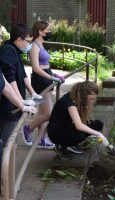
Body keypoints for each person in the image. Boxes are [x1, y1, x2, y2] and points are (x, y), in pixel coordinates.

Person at [22, 21, 64, 149]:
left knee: (42, 112)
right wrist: (51, 77)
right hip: (40, 81)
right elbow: (35, 67)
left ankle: (41, 140)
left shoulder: (41, 44)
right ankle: (28, 128)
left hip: (46, 78)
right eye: (47, 30)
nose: (49, 32)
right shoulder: (34, 45)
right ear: (40, 31)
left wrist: (54, 75)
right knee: (48, 114)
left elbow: (45, 65)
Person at [0, 23, 42, 144]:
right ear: (19, 40)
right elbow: (9, 79)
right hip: (9, 106)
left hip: (15, 102)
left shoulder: (15, 50)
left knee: (12, 141)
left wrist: (32, 93)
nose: (30, 45)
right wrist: (21, 102)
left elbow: (22, 74)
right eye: (28, 41)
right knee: (8, 141)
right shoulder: (7, 50)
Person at [47, 81, 109, 160]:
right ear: (83, 96)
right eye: (91, 99)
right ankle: (61, 146)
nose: (92, 101)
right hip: (56, 132)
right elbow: (79, 125)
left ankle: (71, 144)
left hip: (67, 126)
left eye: (94, 99)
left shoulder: (78, 98)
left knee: (97, 124)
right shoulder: (69, 102)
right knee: (79, 135)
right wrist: (98, 134)